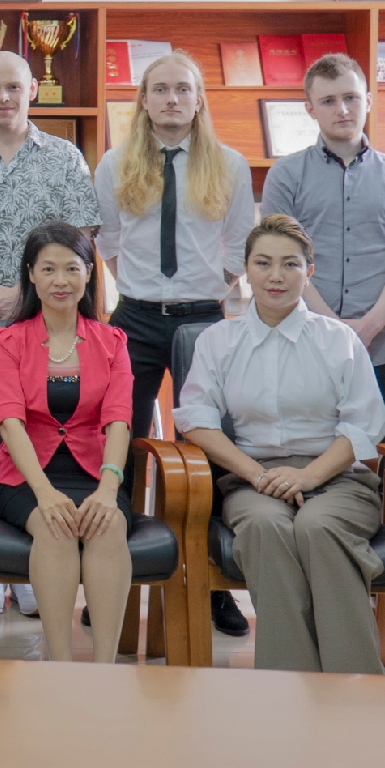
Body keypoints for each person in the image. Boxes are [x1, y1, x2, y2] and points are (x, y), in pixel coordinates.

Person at [174, 215, 385, 674]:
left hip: (337, 478)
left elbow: (365, 424)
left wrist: (308, 476)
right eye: (263, 263)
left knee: (318, 525)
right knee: (265, 525)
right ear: (246, 270)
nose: (276, 276)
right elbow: (196, 419)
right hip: (254, 479)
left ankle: (355, 685)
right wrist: (257, 475)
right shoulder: (218, 340)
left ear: (309, 272)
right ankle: (288, 684)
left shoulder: (339, 340)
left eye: (290, 264)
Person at [94, 50, 256, 637]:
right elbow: (108, 242)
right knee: (123, 445)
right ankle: (115, 574)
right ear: (143, 100)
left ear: (198, 100)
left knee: (207, 450)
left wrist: (200, 293)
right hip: (135, 318)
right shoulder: (116, 163)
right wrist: (146, 290)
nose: (171, 99)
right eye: (159, 89)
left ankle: (213, 584)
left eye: (182, 89)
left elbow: (239, 245)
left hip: (204, 321)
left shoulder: (229, 164)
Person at [0, 47, 100, 618]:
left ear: (32, 89)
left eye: (13, 87)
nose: (3, 98)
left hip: (47, 324)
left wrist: (21, 295)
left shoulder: (64, 157)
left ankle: (32, 564)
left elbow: (80, 239)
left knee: (42, 435)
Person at [0, 223, 134, 663]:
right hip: (24, 477)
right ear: (30, 274)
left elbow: (119, 420)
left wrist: (108, 489)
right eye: (48, 269)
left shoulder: (112, 341)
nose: (60, 280)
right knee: (55, 531)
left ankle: (105, 668)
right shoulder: (10, 341)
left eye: (72, 268)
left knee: (109, 528)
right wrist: (44, 493)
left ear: (89, 273)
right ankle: (61, 665)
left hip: (94, 472)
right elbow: (10, 422)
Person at [259, 53, 385, 438]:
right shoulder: (286, 175)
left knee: (375, 455)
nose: (343, 109)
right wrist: (330, 327)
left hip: (379, 347)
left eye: (351, 97)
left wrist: (368, 326)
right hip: (300, 341)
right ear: (310, 109)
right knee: (300, 450)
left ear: (368, 100)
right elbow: (280, 260)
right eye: (329, 101)